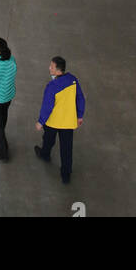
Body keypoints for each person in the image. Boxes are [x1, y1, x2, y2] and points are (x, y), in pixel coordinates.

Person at [34, 56, 85, 185]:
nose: (49, 68)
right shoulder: (73, 80)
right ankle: (66, 175)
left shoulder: (52, 86)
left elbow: (47, 106)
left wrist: (41, 121)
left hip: (52, 122)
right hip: (68, 122)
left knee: (48, 140)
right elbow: (80, 98)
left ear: (57, 71)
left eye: (51, 66)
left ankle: (45, 154)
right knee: (66, 149)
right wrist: (79, 115)